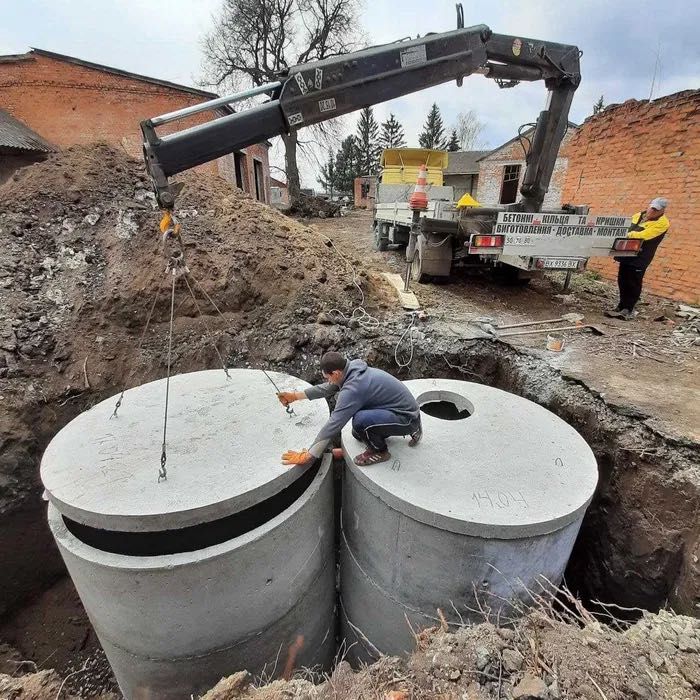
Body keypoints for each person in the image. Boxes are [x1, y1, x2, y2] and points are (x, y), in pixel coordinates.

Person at [278, 352, 422, 467]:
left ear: (336, 373)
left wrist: (310, 454)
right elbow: (326, 388)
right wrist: (294, 396)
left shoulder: (354, 388)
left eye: (328, 377)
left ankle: (380, 451)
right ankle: (387, 432)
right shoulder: (351, 369)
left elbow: (335, 423)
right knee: (358, 434)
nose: (328, 381)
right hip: (403, 408)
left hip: (407, 419)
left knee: (360, 422)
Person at [606, 197, 670, 320]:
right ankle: (621, 305)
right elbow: (627, 227)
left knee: (633, 282)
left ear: (662, 211)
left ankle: (628, 308)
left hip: (641, 256)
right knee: (622, 280)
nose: (652, 211)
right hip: (626, 253)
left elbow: (644, 235)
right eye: (651, 207)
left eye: (656, 210)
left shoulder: (662, 223)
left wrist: (626, 235)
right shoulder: (638, 215)